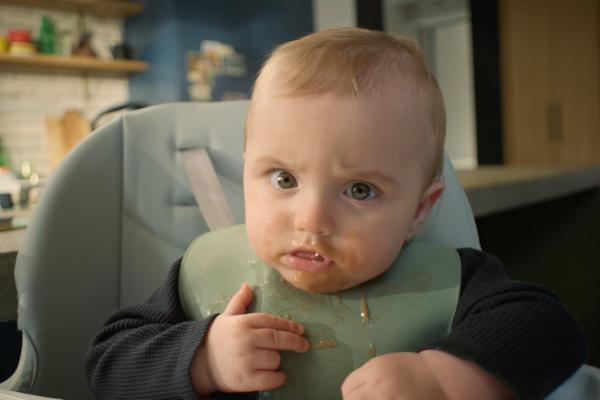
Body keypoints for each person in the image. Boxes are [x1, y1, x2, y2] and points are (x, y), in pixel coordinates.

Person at [85, 28, 585, 400]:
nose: (312, 219)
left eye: (360, 190)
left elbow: (553, 331)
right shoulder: (208, 278)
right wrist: (202, 359)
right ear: (246, 179)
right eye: (283, 179)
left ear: (419, 210)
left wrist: (442, 378)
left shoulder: (452, 283)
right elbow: (106, 362)